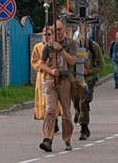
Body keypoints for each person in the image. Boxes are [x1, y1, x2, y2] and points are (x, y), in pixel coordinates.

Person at [38, 20, 78, 153]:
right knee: (50, 110)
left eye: (60, 30)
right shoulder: (48, 46)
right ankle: (47, 140)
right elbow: (41, 63)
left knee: (66, 112)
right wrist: (50, 71)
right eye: (55, 30)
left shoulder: (71, 44)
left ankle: (67, 139)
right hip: (51, 81)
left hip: (65, 81)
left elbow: (72, 61)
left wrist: (60, 50)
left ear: (64, 30)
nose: (58, 32)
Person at [73, 26, 103, 141]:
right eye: (81, 29)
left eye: (86, 29)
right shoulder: (73, 46)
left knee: (83, 102)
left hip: (88, 80)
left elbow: (101, 65)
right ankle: (78, 115)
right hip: (75, 79)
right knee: (76, 104)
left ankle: (84, 128)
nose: (83, 32)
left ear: (89, 31)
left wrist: (89, 71)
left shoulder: (93, 46)